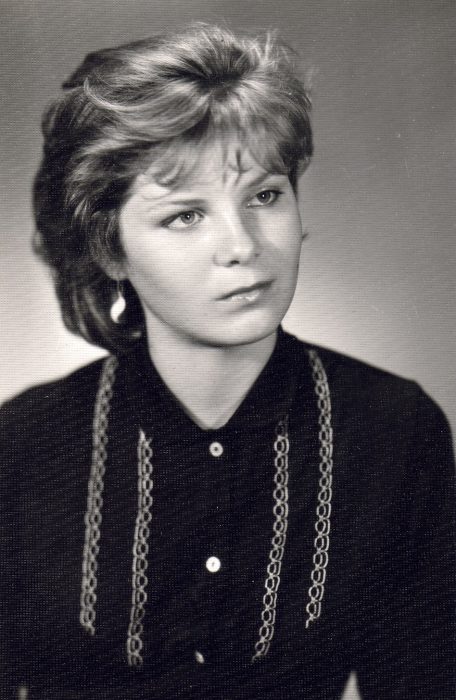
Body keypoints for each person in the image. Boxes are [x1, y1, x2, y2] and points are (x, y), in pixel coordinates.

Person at [0, 23, 454, 700]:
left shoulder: (392, 429)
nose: (242, 245)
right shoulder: (23, 446)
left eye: (264, 196)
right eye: (185, 215)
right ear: (109, 249)